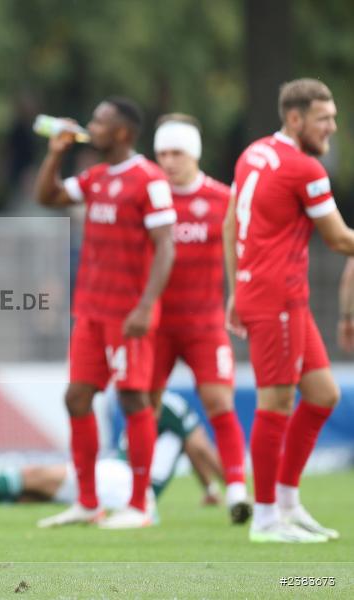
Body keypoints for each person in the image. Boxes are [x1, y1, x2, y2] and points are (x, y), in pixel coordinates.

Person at [34, 98, 176, 529]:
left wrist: (146, 304)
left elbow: (167, 246)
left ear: (123, 134)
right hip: (91, 311)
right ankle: (89, 502)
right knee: (76, 397)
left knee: (133, 398)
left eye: (100, 122)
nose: (91, 127)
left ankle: (140, 504)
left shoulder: (149, 179)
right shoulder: (95, 177)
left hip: (128, 311)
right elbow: (48, 196)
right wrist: (56, 151)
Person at [225, 78, 351, 543]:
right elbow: (339, 239)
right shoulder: (304, 169)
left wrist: (235, 286)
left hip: (277, 295)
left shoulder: (253, 152)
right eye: (324, 118)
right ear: (295, 119)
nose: (332, 127)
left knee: (322, 395)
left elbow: (230, 219)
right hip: (276, 298)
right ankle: (263, 519)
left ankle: (287, 503)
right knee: (274, 404)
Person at [150, 114, 251, 524]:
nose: (168, 161)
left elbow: (243, 255)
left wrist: (242, 298)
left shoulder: (223, 199)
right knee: (144, 407)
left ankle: (237, 491)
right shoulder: (150, 196)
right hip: (156, 325)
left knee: (219, 403)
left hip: (204, 325)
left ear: (194, 154)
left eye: (176, 153)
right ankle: (139, 499)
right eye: (161, 154)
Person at [0, 392, 223, 516]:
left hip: (125, 479)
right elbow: (193, 447)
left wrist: (232, 487)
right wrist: (209, 487)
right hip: (120, 478)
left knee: (37, 477)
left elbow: (199, 447)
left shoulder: (167, 402)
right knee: (36, 492)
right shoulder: (157, 404)